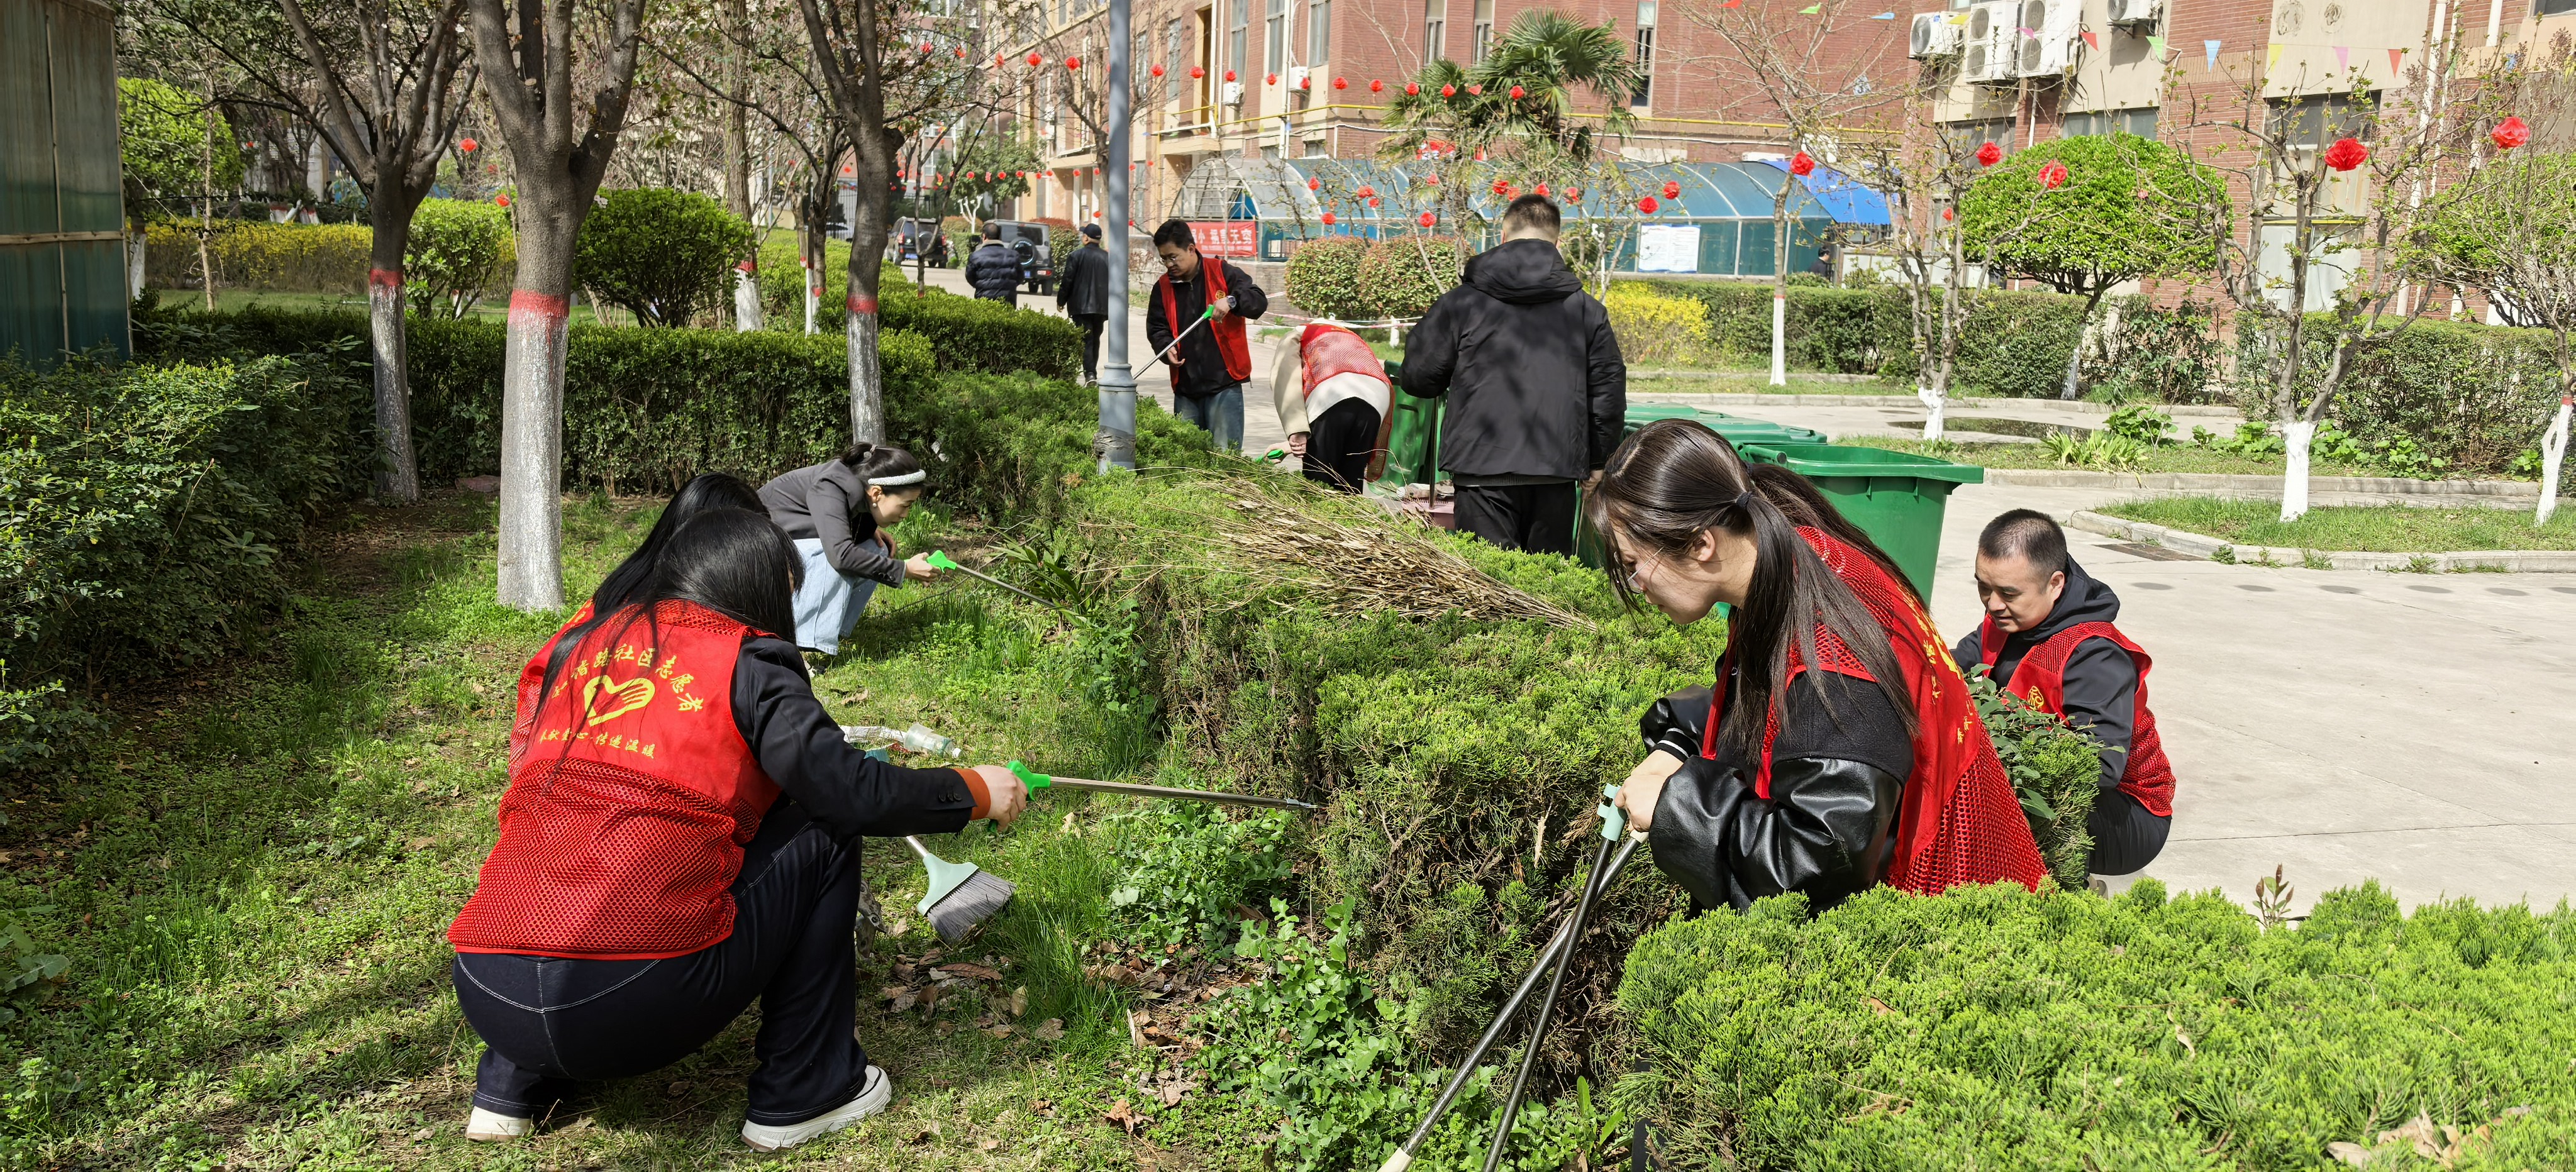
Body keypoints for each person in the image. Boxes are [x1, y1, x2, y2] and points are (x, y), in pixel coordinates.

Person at [450, 508, 1030, 1151]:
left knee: (562, 821)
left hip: (486, 991)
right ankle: (804, 1089)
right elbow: (848, 792)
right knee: (822, 826)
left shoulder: (580, 644)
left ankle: (508, 1091)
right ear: (760, 584)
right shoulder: (747, 659)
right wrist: (973, 790)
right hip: (629, 1000)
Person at [1599, 419, 2049, 914]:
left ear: (1700, 543)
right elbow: (1778, 711)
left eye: (1634, 564)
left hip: (1951, 922)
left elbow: (1818, 861)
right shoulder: (1794, 558)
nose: (1638, 585)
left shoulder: (1833, 651)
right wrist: (1678, 742)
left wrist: (1677, 806)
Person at [1952, 510, 2175, 877]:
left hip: (2129, 814)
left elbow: (2101, 768)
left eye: (2008, 593)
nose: (1992, 604)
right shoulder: (2006, 620)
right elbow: (1949, 672)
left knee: (1983, 803)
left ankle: (2063, 892)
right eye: (1984, 587)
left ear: (2055, 584)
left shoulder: (2095, 656)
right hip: (2055, 786)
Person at [1401, 194, 1624, 555]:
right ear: (1558, 242)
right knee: (1548, 582)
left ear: (1502, 237)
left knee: (1487, 579)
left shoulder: (1461, 303)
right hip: (1556, 470)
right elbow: (1607, 392)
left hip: (1481, 467)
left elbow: (1419, 379)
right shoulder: (1587, 310)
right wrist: (1599, 461)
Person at [758, 443, 938, 656]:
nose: (906, 514)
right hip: (756, 556)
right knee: (833, 555)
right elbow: (841, 555)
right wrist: (904, 569)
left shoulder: (860, 489)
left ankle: (833, 628)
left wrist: (865, 531)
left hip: (785, 545)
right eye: (906, 505)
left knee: (875, 548)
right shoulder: (831, 486)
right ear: (877, 493)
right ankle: (800, 642)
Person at [1145, 218, 1269, 453]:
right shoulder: (1162, 287)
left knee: (1226, 457)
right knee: (1186, 458)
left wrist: (1232, 301)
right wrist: (1165, 347)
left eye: (1173, 257)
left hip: (1224, 385)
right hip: (1186, 389)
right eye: (1164, 259)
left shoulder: (1221, 272)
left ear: (1191, 249)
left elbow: (1257, 300)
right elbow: (1157, 327)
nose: (1169, 264)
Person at [1269, 320, 1391, 492]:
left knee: (1318, 482)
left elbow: (1286, 380)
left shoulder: (1300, 334)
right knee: (1350, 481)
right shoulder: (1351, 336)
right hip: (1376, 400)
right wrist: (1288, 445)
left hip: (1332, 394)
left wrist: (1296, 430)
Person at [1057, 223, 1111, 382]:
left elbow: (1068, 280)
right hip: (1101, 307)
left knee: (1086, 340)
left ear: (1086, 238)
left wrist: (1061, 300)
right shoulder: (1107, 258)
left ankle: (1090, 374)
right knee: (1095, 339)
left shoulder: (1076, 256)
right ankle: (1091, 371)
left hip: (1081, 307)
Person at [965, 223, 1020, 304]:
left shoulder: (976, 256)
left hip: (984, 299)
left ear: (984, 236)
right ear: (1000, 237)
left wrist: (980, 285)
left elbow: (970, 277)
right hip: (1008, 300)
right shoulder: (1014, 255)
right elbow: (1020, 277)